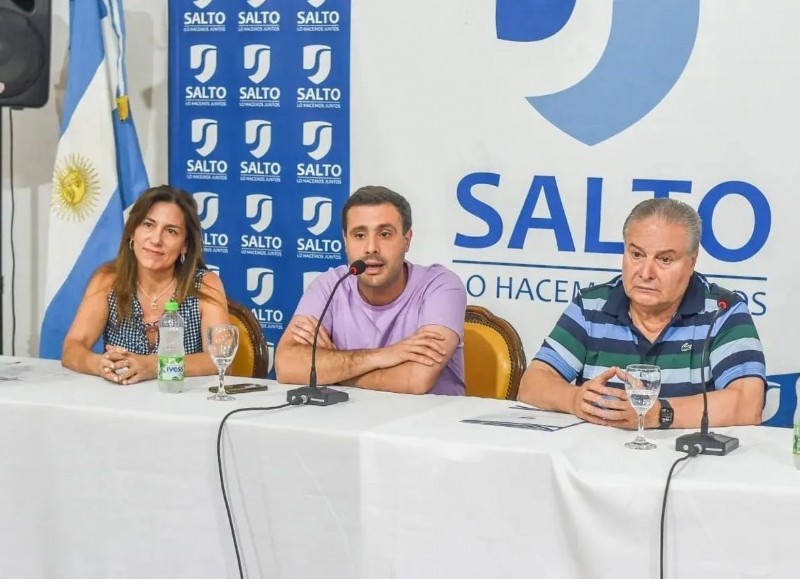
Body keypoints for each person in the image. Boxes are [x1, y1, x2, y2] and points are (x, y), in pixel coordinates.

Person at [518, 198, 766, 429]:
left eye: (665, 260)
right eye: (636, 255)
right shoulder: (591, 306)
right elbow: (532, 384)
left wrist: (658, 414)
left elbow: (748, 404)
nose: (646, 273)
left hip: (685, 467)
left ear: (692, 262)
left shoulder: (722, 311)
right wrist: (574, 399)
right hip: (596, 464)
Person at [275, 185, 466, 395]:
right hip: (345, 423)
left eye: (384, 234)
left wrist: (335, 371)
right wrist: (384, 356)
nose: (371, 248)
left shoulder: (440, 286)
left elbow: (415, 380)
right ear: (345, 241)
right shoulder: (329, 285)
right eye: (359, 235)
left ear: (407, 240)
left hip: (425, 425)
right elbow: (286, 366)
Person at [62, 185, 230, 384]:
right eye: (148, 225)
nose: (156, 240)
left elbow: (219, 360)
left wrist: (153, 366)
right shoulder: (108, 280)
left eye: (171, 231)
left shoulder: (205, 284)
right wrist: (99, 364)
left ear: (185, 244)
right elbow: (72, 347)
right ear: (133, 232)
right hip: (121, 403)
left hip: (185, 403)